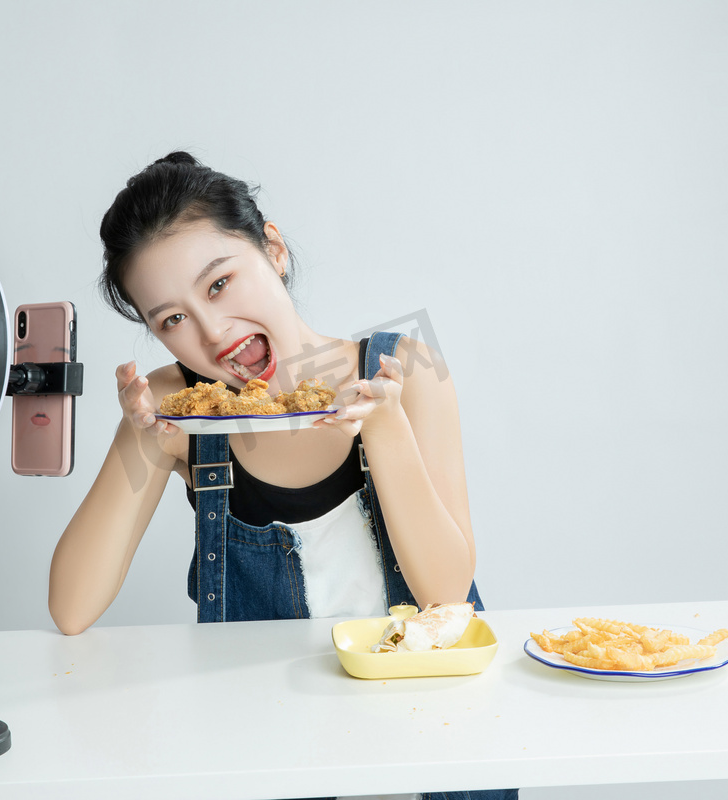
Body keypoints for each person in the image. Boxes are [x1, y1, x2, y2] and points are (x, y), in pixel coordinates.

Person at [48, 152, 517, 800]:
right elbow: (72, 609)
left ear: (272, 250)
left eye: (219, 284)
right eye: (172, 319)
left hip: (433, 749)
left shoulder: (405, 371)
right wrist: (143, 441)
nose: (212, 335)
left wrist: (383, 428)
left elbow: (447, 591)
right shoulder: (179, 411)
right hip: (272, 755)